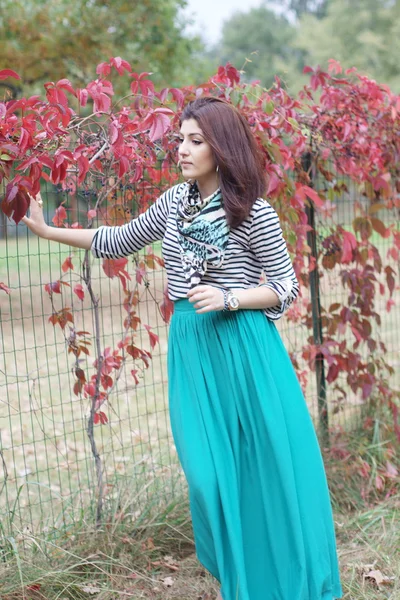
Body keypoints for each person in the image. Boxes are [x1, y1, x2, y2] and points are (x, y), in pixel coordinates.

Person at [23, 97, 343, 600]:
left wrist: (230, 297)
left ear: (222, 147)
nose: (183, 149)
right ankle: (238, 572)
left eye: (196, 141)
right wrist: (45, 230)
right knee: (206, 479)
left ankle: (268, 584)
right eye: (180, 139)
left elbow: (285, 287)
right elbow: (119, 238)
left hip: (244, 347)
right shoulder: (174, 203)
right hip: (193, 349)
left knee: (264, 467)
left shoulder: (253, 211)